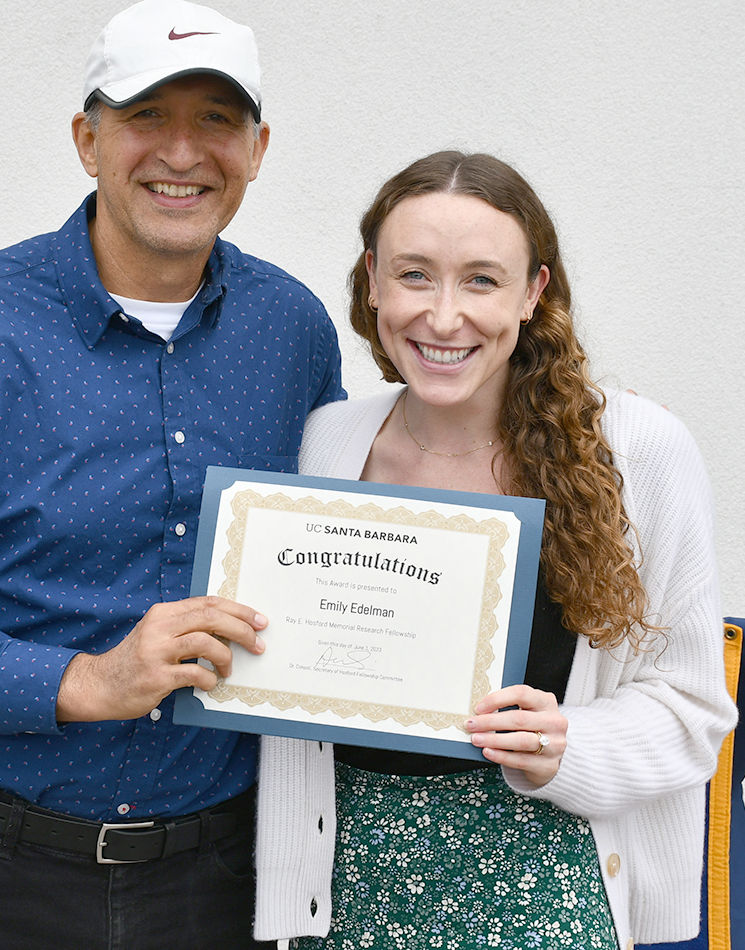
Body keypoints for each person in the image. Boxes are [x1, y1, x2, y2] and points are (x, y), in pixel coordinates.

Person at [0, 2, 343, 948]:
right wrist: (81, 681)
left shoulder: (291, 331)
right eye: (145, 117)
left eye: (216, 119)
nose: (183, 152)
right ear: (87, 139)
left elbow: (330, 561)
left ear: (259, 148)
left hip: (219, 885)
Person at [253, 151, 736, 950]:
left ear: (534, 292)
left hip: (540, 890)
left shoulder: (635, 449)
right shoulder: (324, 444)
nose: (444, 318)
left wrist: (569, 745)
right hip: (342, 889)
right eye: (415, 275)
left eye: (481, 280)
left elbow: (694, 708)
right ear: (371, 280)